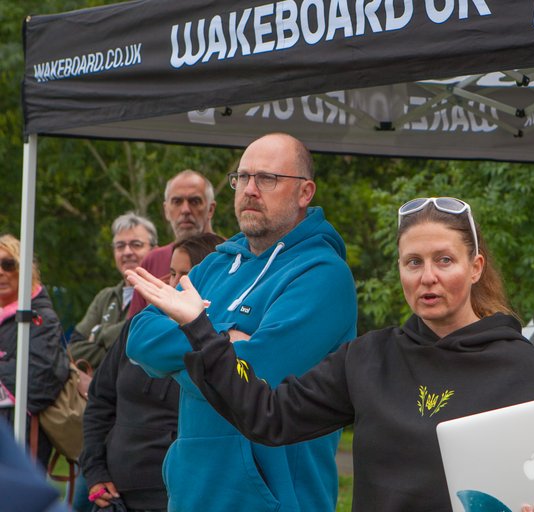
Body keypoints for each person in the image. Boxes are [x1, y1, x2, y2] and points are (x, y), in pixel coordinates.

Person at [128, 196, 534, 512]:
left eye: (444, 261)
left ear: (475, 268)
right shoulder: (370, 358)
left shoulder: (521, 368)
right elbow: (267, 416)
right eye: (413, 262)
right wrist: (201, 331)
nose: (428, 277)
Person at [126, 133, 358, 512]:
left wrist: (191, 342)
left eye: (267, 178)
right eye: (242, 177)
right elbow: (138, 339)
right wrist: (223, 344)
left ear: (305, 193)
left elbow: (255, 375)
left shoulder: (324, 275)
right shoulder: (217, 263)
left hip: (274, 500)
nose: (250, 190)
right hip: (191, 495)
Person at [81, 233, 225, 512]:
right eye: (172, 273)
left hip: (181, 494)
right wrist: (95, 471)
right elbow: (100, 400)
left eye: (185, 276)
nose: (172, 284)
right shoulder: (140, 329)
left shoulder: (219, 341)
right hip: (116, 495)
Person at [0, 234, 69, 467]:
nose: (1, 272)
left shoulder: (40, 318)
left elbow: (39, 379)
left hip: (19, 437)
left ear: (24, 270)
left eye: (8, 265)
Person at [69, 213, 157, 369]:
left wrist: (100, 335)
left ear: (155, 250)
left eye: (136, 244)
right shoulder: (105, 297)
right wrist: (117, 348)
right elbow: (73, 350)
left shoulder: (159, 296)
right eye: (120, 246)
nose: (127, 252)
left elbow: (145, 345)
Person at [126, 169, 217, 318]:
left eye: (194, 201)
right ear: (166, 210)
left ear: (210, 209)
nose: (185, 210)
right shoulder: (152, 261)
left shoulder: (232, 257)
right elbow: (131, 331)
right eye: (177, 201)